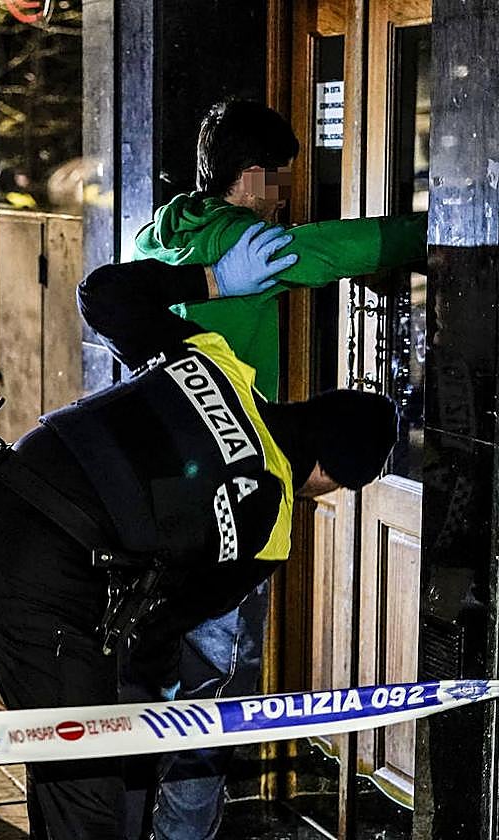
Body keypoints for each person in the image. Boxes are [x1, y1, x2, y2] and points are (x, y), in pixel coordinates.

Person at [0, 222, 398, 839]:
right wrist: (145, 707)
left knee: (63, 754)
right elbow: (163, 619)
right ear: (333, 474)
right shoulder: (272, 519)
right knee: (90, 796)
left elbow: (102, 293)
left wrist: (210, 280)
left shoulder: (217, 365)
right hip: (35, 587)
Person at [130, 99, 427, 838]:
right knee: (217, 678)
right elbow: (349, 248)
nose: (288, 198)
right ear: (255, 177)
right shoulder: (249, 246)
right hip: (224, 490)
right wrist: (449, 223)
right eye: (285, 183)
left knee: (152, 671)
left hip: (147, 482)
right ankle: (183, 833)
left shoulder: (154, 235)